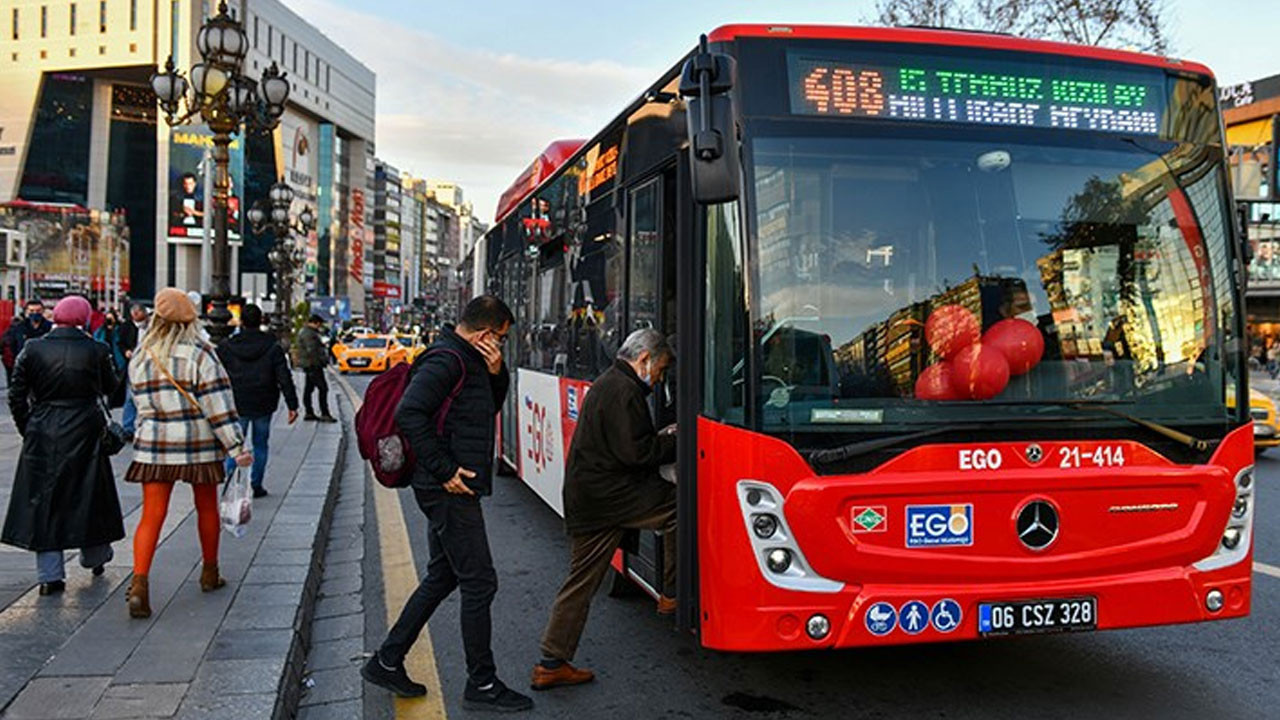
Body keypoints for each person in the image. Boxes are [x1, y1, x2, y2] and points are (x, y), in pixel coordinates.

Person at [362, 296, 533, 713]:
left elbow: (480, 410)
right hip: (447, 490)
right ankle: (483, 684)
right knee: (479, 581)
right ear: (485, 335)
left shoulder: (468, 360)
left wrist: (496, 373)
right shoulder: (447, 361)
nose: (503, 346)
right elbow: (410, 412)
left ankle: (387, 660)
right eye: (503, 340)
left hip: (449, 487)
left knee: (443, 575)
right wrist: (444, 471)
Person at [531, 328, 677, 691]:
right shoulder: (623, 391)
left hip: (592, 497)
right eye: (659, 370)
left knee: (580, 582)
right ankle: (672, 593)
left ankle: (551, 662)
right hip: (611, 499)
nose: (658, 379)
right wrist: (672, 439)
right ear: (644, 359)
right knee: (679, 507)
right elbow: (637, 454)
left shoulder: (611, 382)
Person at [124, 288, 251, 619]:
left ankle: (139, 584)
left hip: (153, 446)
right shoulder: (201, 354)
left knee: (152, 514)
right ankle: (210, 572)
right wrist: (236, 447)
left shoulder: (142, 355)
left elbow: (138, 403)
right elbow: (218, 405)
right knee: (206, 506)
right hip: (197, 444)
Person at [2, 296, 125, 595]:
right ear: (83, 318)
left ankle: (50, 576)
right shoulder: (97, 350)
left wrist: (29, 427)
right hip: (86, 427)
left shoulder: (33, 349)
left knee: (45, 501)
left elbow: (16, 395)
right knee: (90, 494)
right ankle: (94, 555)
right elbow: (111, 388)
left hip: (44, 427)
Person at [216, 303, 299, 498]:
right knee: (260, 444)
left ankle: (230, 481)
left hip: (237, 402)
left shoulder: (227, 346)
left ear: (242, 321)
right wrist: (292, 405)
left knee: (234, 444)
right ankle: (256, 484)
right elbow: (284, 376)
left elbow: (217, 374)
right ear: (261, 320)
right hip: (264, 401)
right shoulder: (272, 346)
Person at [296, 314, 336, 422]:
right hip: (313, 365)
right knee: (323, 388)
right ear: (316, 323)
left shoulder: (307, 332)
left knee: (309, 388)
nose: (320, 326)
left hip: (310, 364)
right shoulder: (309, 334)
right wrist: (321, 362)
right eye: (319, 324)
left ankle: (309, 412)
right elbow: (312, 351)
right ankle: (324, 413)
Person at [3, 300, 52, 385]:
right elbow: (10, 346)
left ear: (43, 311)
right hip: (23, 369)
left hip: (45, 369)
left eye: (38, 311)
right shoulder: (18, 328)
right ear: (26, 312)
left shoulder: (50, 328)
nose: (35, 313)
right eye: (31, 311)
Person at [120, 303, 149, 438]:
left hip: (148, 363)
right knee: (130, 396)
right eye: (133, 314)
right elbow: (121, 342)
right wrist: (126, 351)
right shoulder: (127, 326)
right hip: (133, 364)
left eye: (138, 313)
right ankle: (128, 427)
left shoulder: (152, 326)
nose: (135, 316)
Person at [94, 310, 130, 407]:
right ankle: (111, 401)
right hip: (106, 358)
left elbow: (121, 341)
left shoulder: (119, 330)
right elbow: (97, 340)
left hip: (118, 358)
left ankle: (117, 401)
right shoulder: (101, 330)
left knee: (119, 381)